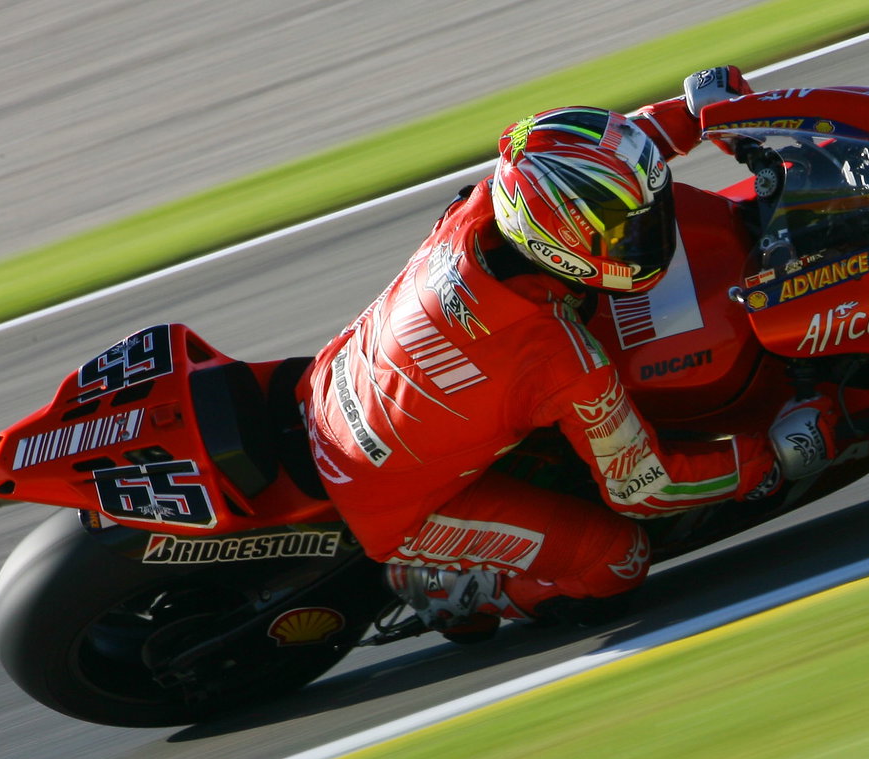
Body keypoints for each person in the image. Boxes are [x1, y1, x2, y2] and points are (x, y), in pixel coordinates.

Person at [303, 66, 835, 641]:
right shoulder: (556, 358)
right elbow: (645, 488)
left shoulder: (488, 205)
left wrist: (691, 114)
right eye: (620, 232)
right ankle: (447, 585)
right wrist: (767, 460)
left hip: (335, 387)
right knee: (615, 560)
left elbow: (596, 165)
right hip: (389, 500)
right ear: (555, 241)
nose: (644, 231)